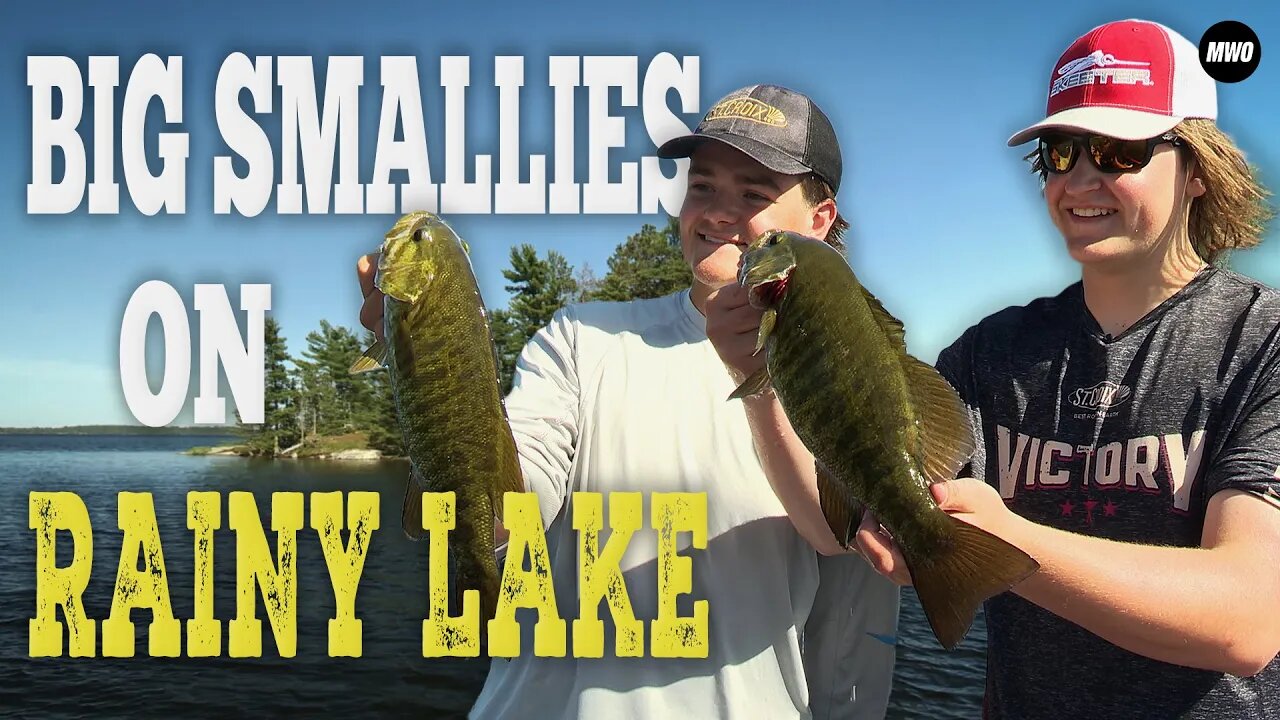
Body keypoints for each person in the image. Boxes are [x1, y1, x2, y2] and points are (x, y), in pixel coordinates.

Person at [357, 85, 901, 719]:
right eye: (701, 186)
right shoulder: (581, 336)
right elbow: (512, 509)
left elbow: (849, 586)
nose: (717, 212)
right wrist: (432, 371)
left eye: (754, 194)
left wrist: (759, 376)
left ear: (820, 219)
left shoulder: (859, 382)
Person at [854, 19, 1280, 718]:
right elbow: (908, 496)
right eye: (1060, 152)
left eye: (1118, 150)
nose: (1080, 180)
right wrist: (895, 519)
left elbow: (1248, 618)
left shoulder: (1264, 342)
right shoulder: (988, 353)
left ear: (1198, 169)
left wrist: (1008, 544)